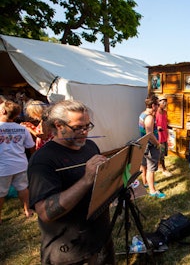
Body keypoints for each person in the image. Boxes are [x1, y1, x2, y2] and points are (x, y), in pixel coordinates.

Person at [27, 100, 115, 265]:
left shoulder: (90, 146)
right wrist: (86, 179)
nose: (84, 132)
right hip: (69, 249)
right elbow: (46, 213)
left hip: (100, 236)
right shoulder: (43, 160)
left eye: (87, 126)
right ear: (59, 126)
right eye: (78, 127)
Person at [0, 100, 35, 224]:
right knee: (23, 188)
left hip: (3, 167)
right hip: (20, 164)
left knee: (0, 192)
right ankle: (27, 210)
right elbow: (30, 145)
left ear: (3, 111)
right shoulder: (22, 129)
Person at [139, 94, 166, 198]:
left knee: (144, 165)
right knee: (151, 168)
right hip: (150, 146)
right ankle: (152, 190)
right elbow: (149, 134)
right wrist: (158, 144)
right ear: (153, 105)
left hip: (143, 145)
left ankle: (146, 183)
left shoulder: (142, 114)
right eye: (157, 104)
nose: (158, 106)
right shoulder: (149, 117)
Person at [156, 95, 173, 177]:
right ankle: (164, 169)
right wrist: (157, 127)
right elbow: (154, 124)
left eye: (166, 102)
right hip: (159, 137)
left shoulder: (165, 112)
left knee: (163, 153)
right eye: (163, 102)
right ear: (158, 102)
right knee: (161, 154)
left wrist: (169, 127)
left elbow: (165, 123)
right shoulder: (155, 112)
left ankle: (159, 166)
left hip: (164, 135)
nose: (165, 103)